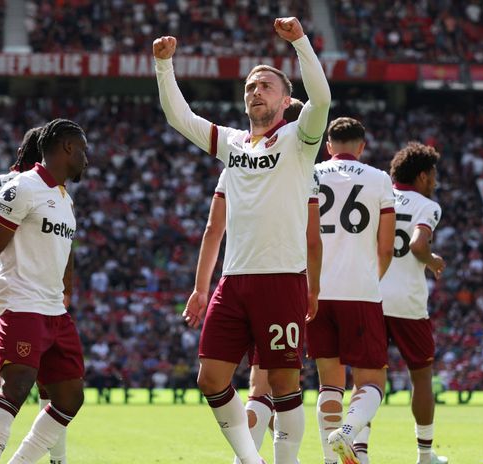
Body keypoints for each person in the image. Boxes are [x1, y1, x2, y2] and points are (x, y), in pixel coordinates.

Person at [155, 16, 330, 464]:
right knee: (210, 378)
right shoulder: (232, 145)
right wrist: (164, 65)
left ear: (287, 100)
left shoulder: (299, 140)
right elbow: (180, 117)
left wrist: (300, 44)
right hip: (233, 282)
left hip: (280, 278)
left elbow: (323, 98)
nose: (255, 91)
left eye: (266, 86)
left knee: (285, 384)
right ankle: (252, 460)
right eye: (251, 86)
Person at [0, 118, 88, 464]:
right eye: (83, 151)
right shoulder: (21, 189)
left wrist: (66, 291)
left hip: (54, 310)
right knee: (16, 386)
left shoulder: (63, 199)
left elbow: (64, 256)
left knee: (71, 397)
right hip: (21, 305)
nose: (86, 159)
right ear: (67, 148)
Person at [185, 99, 312, 464]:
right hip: (249, 279)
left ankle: (264, 459)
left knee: (269, 387)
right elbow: (314, 237)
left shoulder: (301, 164)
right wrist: (202, 287)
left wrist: (200, 286)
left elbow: (213, 230)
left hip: (282, 277)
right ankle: (254, 460)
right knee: (262, 385)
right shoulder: (283, 165)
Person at [308, 117, 395, 464]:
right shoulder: (379, 179)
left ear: (328, 146)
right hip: (360, 290)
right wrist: (372, 279)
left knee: (329, 383)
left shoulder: (309, 174)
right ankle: (347, 432)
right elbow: (386, 247)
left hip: (316, 289)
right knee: (372, 381)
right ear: (362, 146)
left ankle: (331, 460)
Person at [379, 142, 448, 464]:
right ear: (422, 176)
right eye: (433, 175)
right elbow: (417, 244)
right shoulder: (427, 205)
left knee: (368, 376)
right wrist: (432, 260)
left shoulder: (375, 194)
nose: (435, 181)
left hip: (369, 296)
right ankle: (424, 454)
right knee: (421, 376)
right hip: (407, 302)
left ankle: (357, 445)